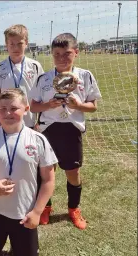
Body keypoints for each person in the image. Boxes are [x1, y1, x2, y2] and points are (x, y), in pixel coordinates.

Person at [0, 88, 57, 256]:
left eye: (14, 108)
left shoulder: (38, 140)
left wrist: (37, 212)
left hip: (24, 212)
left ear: (26, 109)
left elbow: (49, 180)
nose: (8, 113)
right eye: (2, 109)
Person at [29, 33, 102, 229]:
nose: (62, 58)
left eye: (67, 53)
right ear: (51, 55)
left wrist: (79, 105)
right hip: (48, 130)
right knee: (46, 171)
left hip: (72, 130)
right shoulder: (44, 79)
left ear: (76, 53)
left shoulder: (85, 76)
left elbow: (93, 106)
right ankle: (45, 207)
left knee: (73, 172)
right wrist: (48, 105)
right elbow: (33, 106)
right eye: (57, 54)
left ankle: (73, 208)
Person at [0, 24, 44, 129]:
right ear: (6, 44)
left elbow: (42, 96)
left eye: (20, 44)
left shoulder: (35, 66)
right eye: (12, 44)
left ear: (26, 43)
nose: (16, 48)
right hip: (5, 122)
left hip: (29, 122)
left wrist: (40, 122)